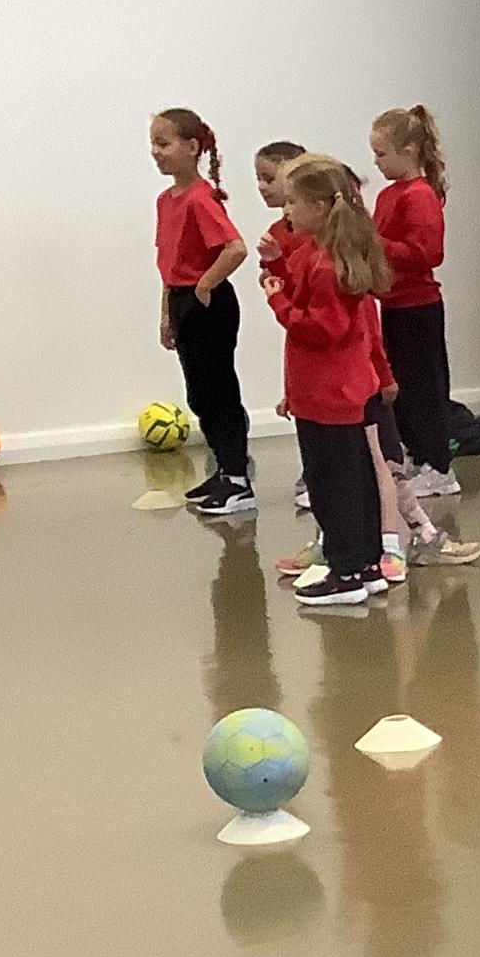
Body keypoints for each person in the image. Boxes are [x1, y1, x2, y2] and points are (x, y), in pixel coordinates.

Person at [261, 154, 399, 612]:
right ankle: (366, 566)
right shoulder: (319, 255)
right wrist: (278, 270)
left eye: (293, 202)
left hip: (328, 393)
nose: (286, 211)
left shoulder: (325, 264)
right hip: (331, 389)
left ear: (320, 207)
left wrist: (277, 303)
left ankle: (346, 572)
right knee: (354, 479)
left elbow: (322, 328)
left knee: (332, 485)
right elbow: (308, 296)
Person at [151, 109, 255, 519]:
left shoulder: (200, 198)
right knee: (199, 394)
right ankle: (223, 471)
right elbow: (168, 263)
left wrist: (204, 285)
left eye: (164, 143)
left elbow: (235, 248)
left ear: (192, 147)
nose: (156, 152)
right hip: (183, 301)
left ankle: (238, 478)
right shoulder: (166, 201)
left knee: (219, 392)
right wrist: (167, 314)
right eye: (153, 143)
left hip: (208, 304)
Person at [367, 106, 456, 493]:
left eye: (382, 154)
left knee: (425, 389)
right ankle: (419, 454)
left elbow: (428, 253)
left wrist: (377, 244)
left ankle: (439, 466)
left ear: (408, 151)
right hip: (393, 305)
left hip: (418, 308)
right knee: (403, 387)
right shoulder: (389, 195)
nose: (376, 162)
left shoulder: (419, 195)